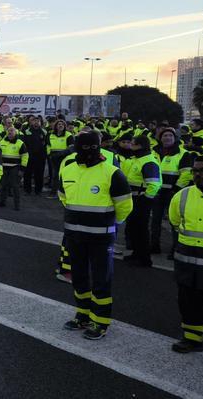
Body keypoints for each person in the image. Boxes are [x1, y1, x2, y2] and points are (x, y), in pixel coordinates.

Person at [58, 132, 133, 340]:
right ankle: (82, 314)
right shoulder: (68, 169)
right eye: (82, 147)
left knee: (101, 279)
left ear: (98, 147)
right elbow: (63, 197)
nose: (87, 152)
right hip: (74, 235)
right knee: (79, 277)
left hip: (101, 238)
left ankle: (100, 321)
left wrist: (107, 224)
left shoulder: (112, 173)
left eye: (91, 147)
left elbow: (125, 206)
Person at [168, 155, 203, 353]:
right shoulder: (182, 195)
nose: (197, 175)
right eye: (194, 171)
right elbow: (175, 222)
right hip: (188, 264)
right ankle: (192, 339)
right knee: (189, 304)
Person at [151, 128, 193, 258]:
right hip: (157, 193)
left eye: (170, 135)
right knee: (155, 221)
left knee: (174, 223)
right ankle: (154, 246)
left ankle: (175, 248)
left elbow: (186, 174)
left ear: (175, 138)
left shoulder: (183, 154)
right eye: (164, 135)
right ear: (160, 138)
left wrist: (176, 189)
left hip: (173, 194)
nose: (167, 137)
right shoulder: (153, 152)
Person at [123, 135, 161, 267]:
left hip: (141, 200)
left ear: (140, 146)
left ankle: (144, 259)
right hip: (134, 199)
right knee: (134, 228)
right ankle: (136, 254)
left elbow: (154, 185)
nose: (130, 146)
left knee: (141, 230)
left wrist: (145, 200)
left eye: (132, 144)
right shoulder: (137, 159)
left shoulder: (148, 161)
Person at [0, 126, 28, 211]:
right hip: (4, 167)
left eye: (12, 131)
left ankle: (17, 205)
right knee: (3, 186)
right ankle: (2, 202)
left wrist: (22, 169)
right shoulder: (2, 141)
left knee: (15, 187)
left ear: (15, 133)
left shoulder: (20, 143)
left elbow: (25, 156)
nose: (10, 132)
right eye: (8, 131)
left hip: (15, 167)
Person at [23, 116, 47, 195]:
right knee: (27, 174)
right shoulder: (26, 131)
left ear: (40, 123)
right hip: (29, 156)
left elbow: (46, 144)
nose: (36, 122)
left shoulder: (44, 132)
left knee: (39, 174)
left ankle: (38, 190)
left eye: (38, 121)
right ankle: (27, 190)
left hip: (40, 156)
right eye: (34, 121)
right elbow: (24, 144)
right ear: (31, 122)